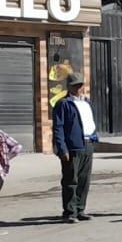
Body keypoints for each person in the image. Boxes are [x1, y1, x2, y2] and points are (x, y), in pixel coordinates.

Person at [50, 72, 98, 223]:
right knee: (71, 180)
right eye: (75, 85)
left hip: (88, 144)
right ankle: (69, 212)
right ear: (69, 86)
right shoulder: (63, 104)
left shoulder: (86, 102)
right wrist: (62, 148)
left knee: (84, 179)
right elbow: (58, 127)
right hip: (72, 147)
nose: (78, 88)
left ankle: (80, 209)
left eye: (80, 85)